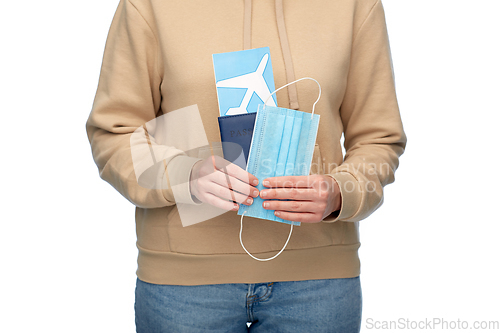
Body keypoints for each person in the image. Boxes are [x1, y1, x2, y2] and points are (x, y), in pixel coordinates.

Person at [86, 0, 406, 331]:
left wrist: (340, 192)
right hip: (185, 282)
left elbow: (378, 139)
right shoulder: (150, 5)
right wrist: (185, 174)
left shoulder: (354, 5)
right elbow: (114, 134)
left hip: (318, 281)